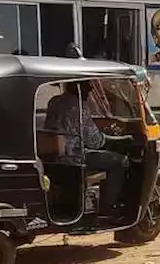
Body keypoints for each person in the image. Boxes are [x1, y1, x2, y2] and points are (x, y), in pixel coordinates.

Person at [46, 81, 127, 213]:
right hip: (75, 157)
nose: (90, 89)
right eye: (86, 85)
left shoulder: (54, 102)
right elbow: (95, 141)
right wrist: (118, 140)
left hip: (55, 157)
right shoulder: (78, 105)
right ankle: (107, 208)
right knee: (120, 162)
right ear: (77, 86)